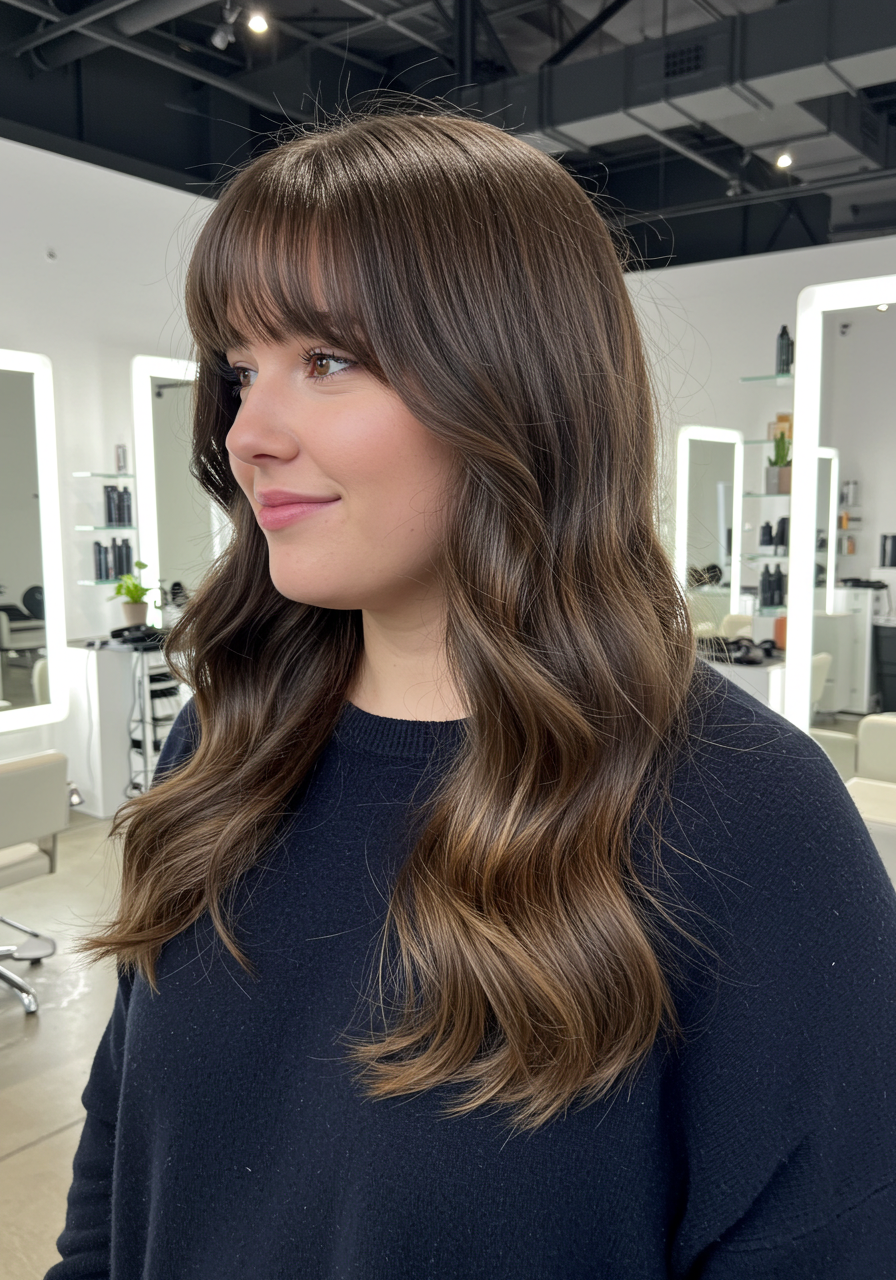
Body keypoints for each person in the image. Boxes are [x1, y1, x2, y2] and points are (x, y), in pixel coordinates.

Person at [49, 109, 896, 1279]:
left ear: (511, 380)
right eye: (240, 370)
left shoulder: (745, 817)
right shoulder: (228, 741)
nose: (247, 432)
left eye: (326, 361)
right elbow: (119, 1168)